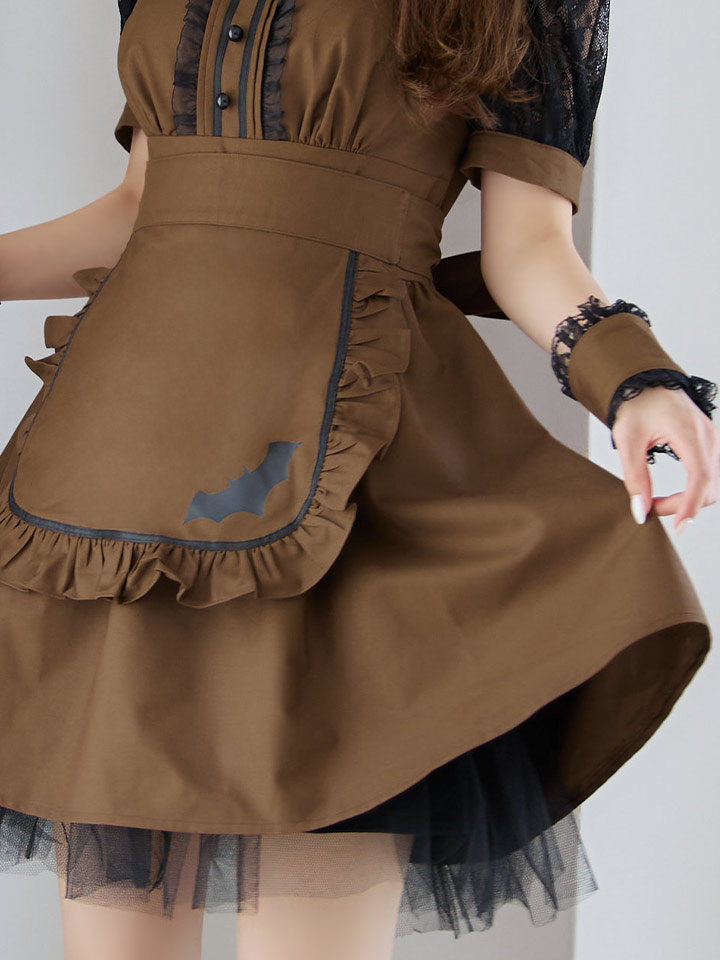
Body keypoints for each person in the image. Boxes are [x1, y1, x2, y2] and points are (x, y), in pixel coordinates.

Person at [0, 0, 717, 957]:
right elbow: (140, 208)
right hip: (123, 474)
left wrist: (635, 380)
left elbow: (530, 249)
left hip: (348, 471)